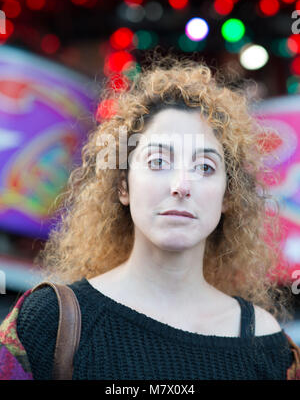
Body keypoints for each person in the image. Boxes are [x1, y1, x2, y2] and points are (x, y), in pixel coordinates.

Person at [1, 56, 300, 380]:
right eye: (158, 161)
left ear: (228, 196)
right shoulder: (50, 320)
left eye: (205, 167)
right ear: (123, 186)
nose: (181, 186)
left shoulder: (267, 346)